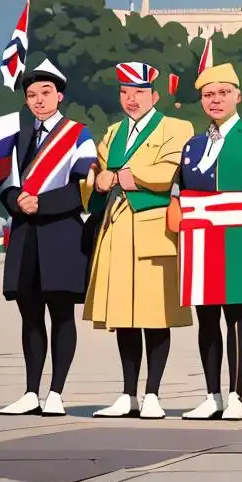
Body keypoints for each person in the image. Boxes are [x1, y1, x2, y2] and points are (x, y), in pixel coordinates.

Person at [170, 62, 242, 421]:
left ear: (238, 95)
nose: (215, 100)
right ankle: (212, 394)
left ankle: (237, 395)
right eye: (208, 95)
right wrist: (175, 202)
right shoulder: (195, 142)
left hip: (235, 232)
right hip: (199, 232)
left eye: (222, 93)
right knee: (205, 316)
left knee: (235, 313)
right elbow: (181, 180)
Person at [84, 62, 193, 419]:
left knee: (155, 315)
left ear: (154, 95)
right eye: (125, 92)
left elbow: (168, 171)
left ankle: (153, 393)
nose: (131, 99)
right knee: (124, 316)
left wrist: (119, 176)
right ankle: (128, 393)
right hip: (117, 229)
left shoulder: (176, 127)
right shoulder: (113, 132)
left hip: (154, 228)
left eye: (139, 93)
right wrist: (96, 181)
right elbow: (97, 177)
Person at [0, 59, 97, 417]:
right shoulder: (20, 138)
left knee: (61, 313)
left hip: (62, 234)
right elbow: (6, 185)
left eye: (46, 92)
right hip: (26, 236)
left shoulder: (79, 134)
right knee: (30, 316)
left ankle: (56, 391)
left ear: (60, 95)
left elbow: (84, 184)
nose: (39, 100)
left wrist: (42, 202)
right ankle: (30, 390)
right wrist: (17, 201)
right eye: (32, 95)